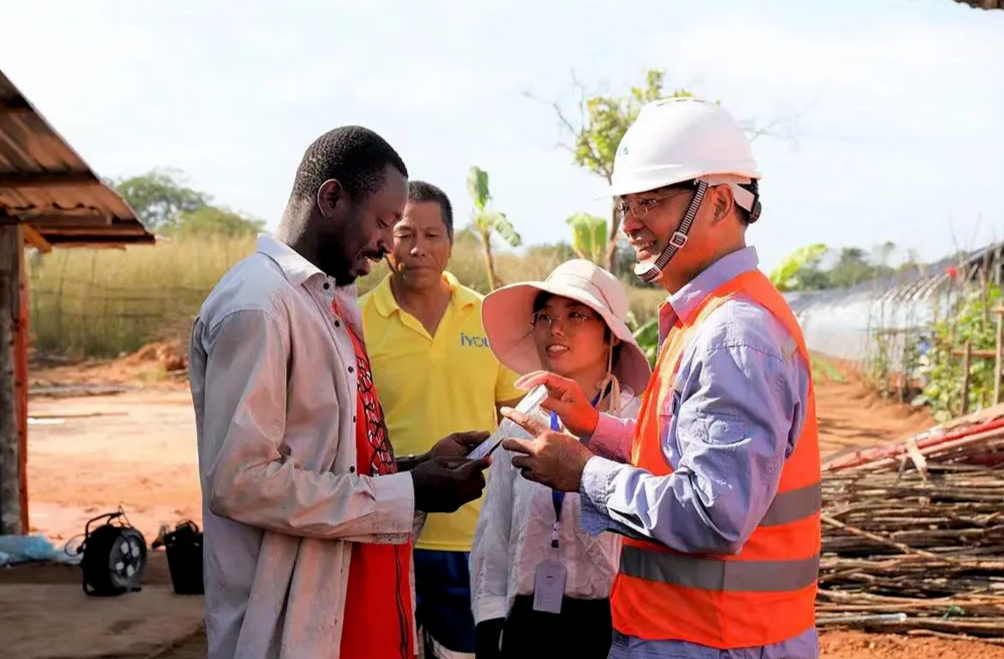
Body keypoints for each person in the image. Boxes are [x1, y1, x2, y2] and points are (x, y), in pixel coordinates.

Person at [501, 97, 821, 659]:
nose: (630, 224)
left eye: (650, 202)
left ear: (719, 201)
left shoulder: (732, 333)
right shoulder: (707, 317)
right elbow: (681, 456)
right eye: (627, 205)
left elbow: (711, 513)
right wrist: (595, 426)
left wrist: (585, 473)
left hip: (714, 642)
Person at [188, 125, 491, 659]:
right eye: (381, 223)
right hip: (294, 623)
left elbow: (332, 462)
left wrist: (417, 468)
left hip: (357, 604)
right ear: (331, 198)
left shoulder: (327, 304)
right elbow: (240, 482)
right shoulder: (259, 305)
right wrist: (411, 493)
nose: (385, 242)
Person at [360, 180, 524, 659]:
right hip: (384, 529)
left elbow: (512, 416)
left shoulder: (488, 317)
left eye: (433, 235)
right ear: (386, 238)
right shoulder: (356, 319)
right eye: (405, 233)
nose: (418, 249)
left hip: (474, 535)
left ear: (451, 244)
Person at [470, 259, 652, 659]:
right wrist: (489, 621)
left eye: (576, 315)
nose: (556, 328)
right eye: (545, 316)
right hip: (528, 628)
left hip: (618, 628)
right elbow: (495, 533)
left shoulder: (639, 425)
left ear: (611, 338)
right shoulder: (519, 425)